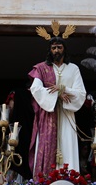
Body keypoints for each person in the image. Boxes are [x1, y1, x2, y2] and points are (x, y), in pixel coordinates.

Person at [28, 37, 86, 175]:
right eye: (53, 48)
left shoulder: (73, 69)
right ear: (50, 50)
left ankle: (70, 179)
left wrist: (64, 89)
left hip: (67, 114)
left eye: (59, 47)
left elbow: (81, 93)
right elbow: (35, 89)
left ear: (64, 49)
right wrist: (57, 95)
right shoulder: (42, 68)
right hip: (48, 115)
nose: (56, 50)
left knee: (67, 145)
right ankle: (45, 179)